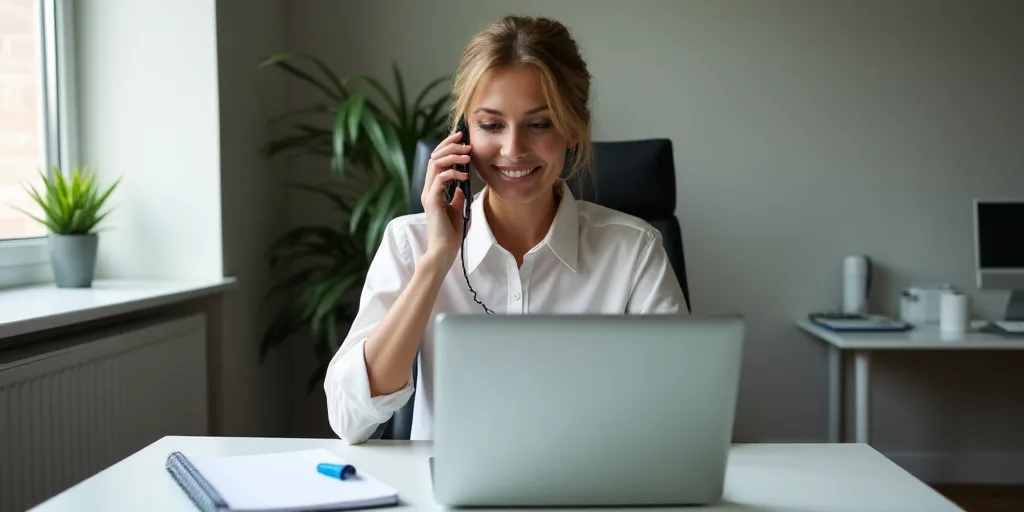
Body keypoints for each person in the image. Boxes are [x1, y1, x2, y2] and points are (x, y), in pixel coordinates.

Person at [324, 15, 688, 444]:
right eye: (491, 125)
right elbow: (350, 421)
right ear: (463, 135)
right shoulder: (411, 243)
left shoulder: (634, 250)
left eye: (540, 123)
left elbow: (681, 412)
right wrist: (437, 260)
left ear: (573, 127)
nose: (513, 149)